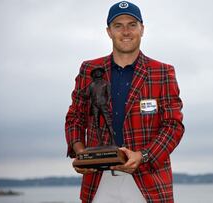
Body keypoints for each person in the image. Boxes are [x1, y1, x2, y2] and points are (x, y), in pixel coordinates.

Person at [65, 1, 185, 203]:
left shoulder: (163, 72)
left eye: (132, 24)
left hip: (149, 182)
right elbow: (75, 117)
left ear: (142, 29)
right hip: (98, 182)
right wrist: (81, 153)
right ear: (109, 31)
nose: (126, 31)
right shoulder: (89, 69)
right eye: (118, 25)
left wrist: (144, 156)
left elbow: (173, 126)